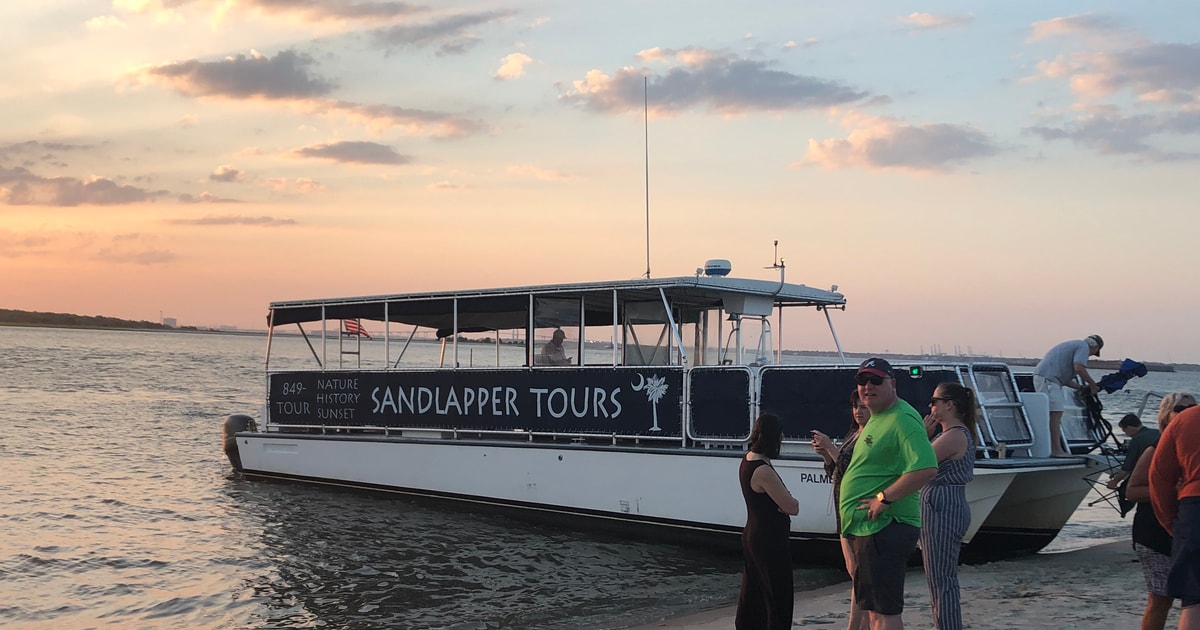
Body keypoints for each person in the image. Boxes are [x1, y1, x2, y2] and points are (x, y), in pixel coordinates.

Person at [839, 358, 938, 630]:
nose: (867, 387)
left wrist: (884, 498)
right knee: (873, 611)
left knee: (885, 613)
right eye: (862, 381)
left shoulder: (902, 418)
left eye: (875, 380)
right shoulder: (878, 417)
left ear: (892, 384)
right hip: (868, 528)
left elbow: (926, 466)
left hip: (885, 526)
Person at [1125, 394, 1195, 630]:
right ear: (1166, 414)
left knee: (1190, 596)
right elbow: (1131, 491)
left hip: (1185, 526)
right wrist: (1174, 490)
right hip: (1155, 530)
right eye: (1180, 408)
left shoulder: (1189, 443)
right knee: (1161, 598)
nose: (1187, 411)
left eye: (1192, 406)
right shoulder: (1155, 448)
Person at [920, 382, 977, 630]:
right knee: (940, 578)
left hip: (942, 505)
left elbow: (918, 464)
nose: (931, 406)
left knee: (940, 579)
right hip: (947, 503)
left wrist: (921, 435)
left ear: (948, 405)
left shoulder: (953, 435)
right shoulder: (956, 433)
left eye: (934, 401)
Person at [812, 391, 871, 630]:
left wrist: (831, 448)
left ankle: (855, 625)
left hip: (858, 510)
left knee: (859, 574)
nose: (858, 411)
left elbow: (856, 472)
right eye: (855, 407)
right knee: (855, 572)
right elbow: (837, 473)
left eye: (863, 407)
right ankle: (862, 625)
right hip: (843, 510)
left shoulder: (870, 436)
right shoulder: (852, 434)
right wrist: (827, 455)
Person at [736, 413, 800, 630]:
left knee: (754, 590)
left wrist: (784, 500)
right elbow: (792, 506)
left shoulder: (748, 460)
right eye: (780, 433)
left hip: (754, 533)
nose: (782, 438)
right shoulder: (763, 470)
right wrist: (789, 499)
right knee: (777, 593)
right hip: (769, 539)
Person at [1150, 401, 1200, 630]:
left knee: (1194, 599)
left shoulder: (1186, 419)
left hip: (1194, 507)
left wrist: (1172, 523)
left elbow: (1159, 477)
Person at [1033, 335, 1104, 457]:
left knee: (1054, 414)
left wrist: (1081, 388)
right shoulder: (1083, 347)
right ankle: (1056, 450)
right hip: (1048, 381)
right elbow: (1079, 368)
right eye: (1092, 354)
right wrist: (1092, 384)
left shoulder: (1074, 345)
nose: (1088, 356)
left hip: (1048, 379)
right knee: (1055, 415)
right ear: (1095, 347)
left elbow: (1065, 380)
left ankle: (1054, 448)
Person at [1108, 413, 1162, 491]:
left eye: (1125, 431)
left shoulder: (1136, 440)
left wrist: (1114, 482)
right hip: (1163, 471)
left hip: (1149, 475)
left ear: (1129, 427)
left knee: (1124, 490)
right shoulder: (1158, 432)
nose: (1126, 434)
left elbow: (1126, 467)